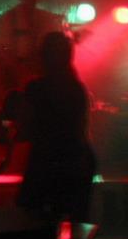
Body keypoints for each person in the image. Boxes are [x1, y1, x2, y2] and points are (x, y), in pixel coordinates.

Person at [17, 32, 96, 222]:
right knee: (76, 220)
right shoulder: (77, 87)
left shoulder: (36, 88)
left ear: (43, 56)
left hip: (49, 160)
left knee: (31, 215)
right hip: (78, 160)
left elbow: (25, 130)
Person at [0, 0, 63, 90]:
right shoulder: (9, 17)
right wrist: (16, 69)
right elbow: (2, 48)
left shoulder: (46, 17)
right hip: (16, 71)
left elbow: (53, 44)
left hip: (39, 70)